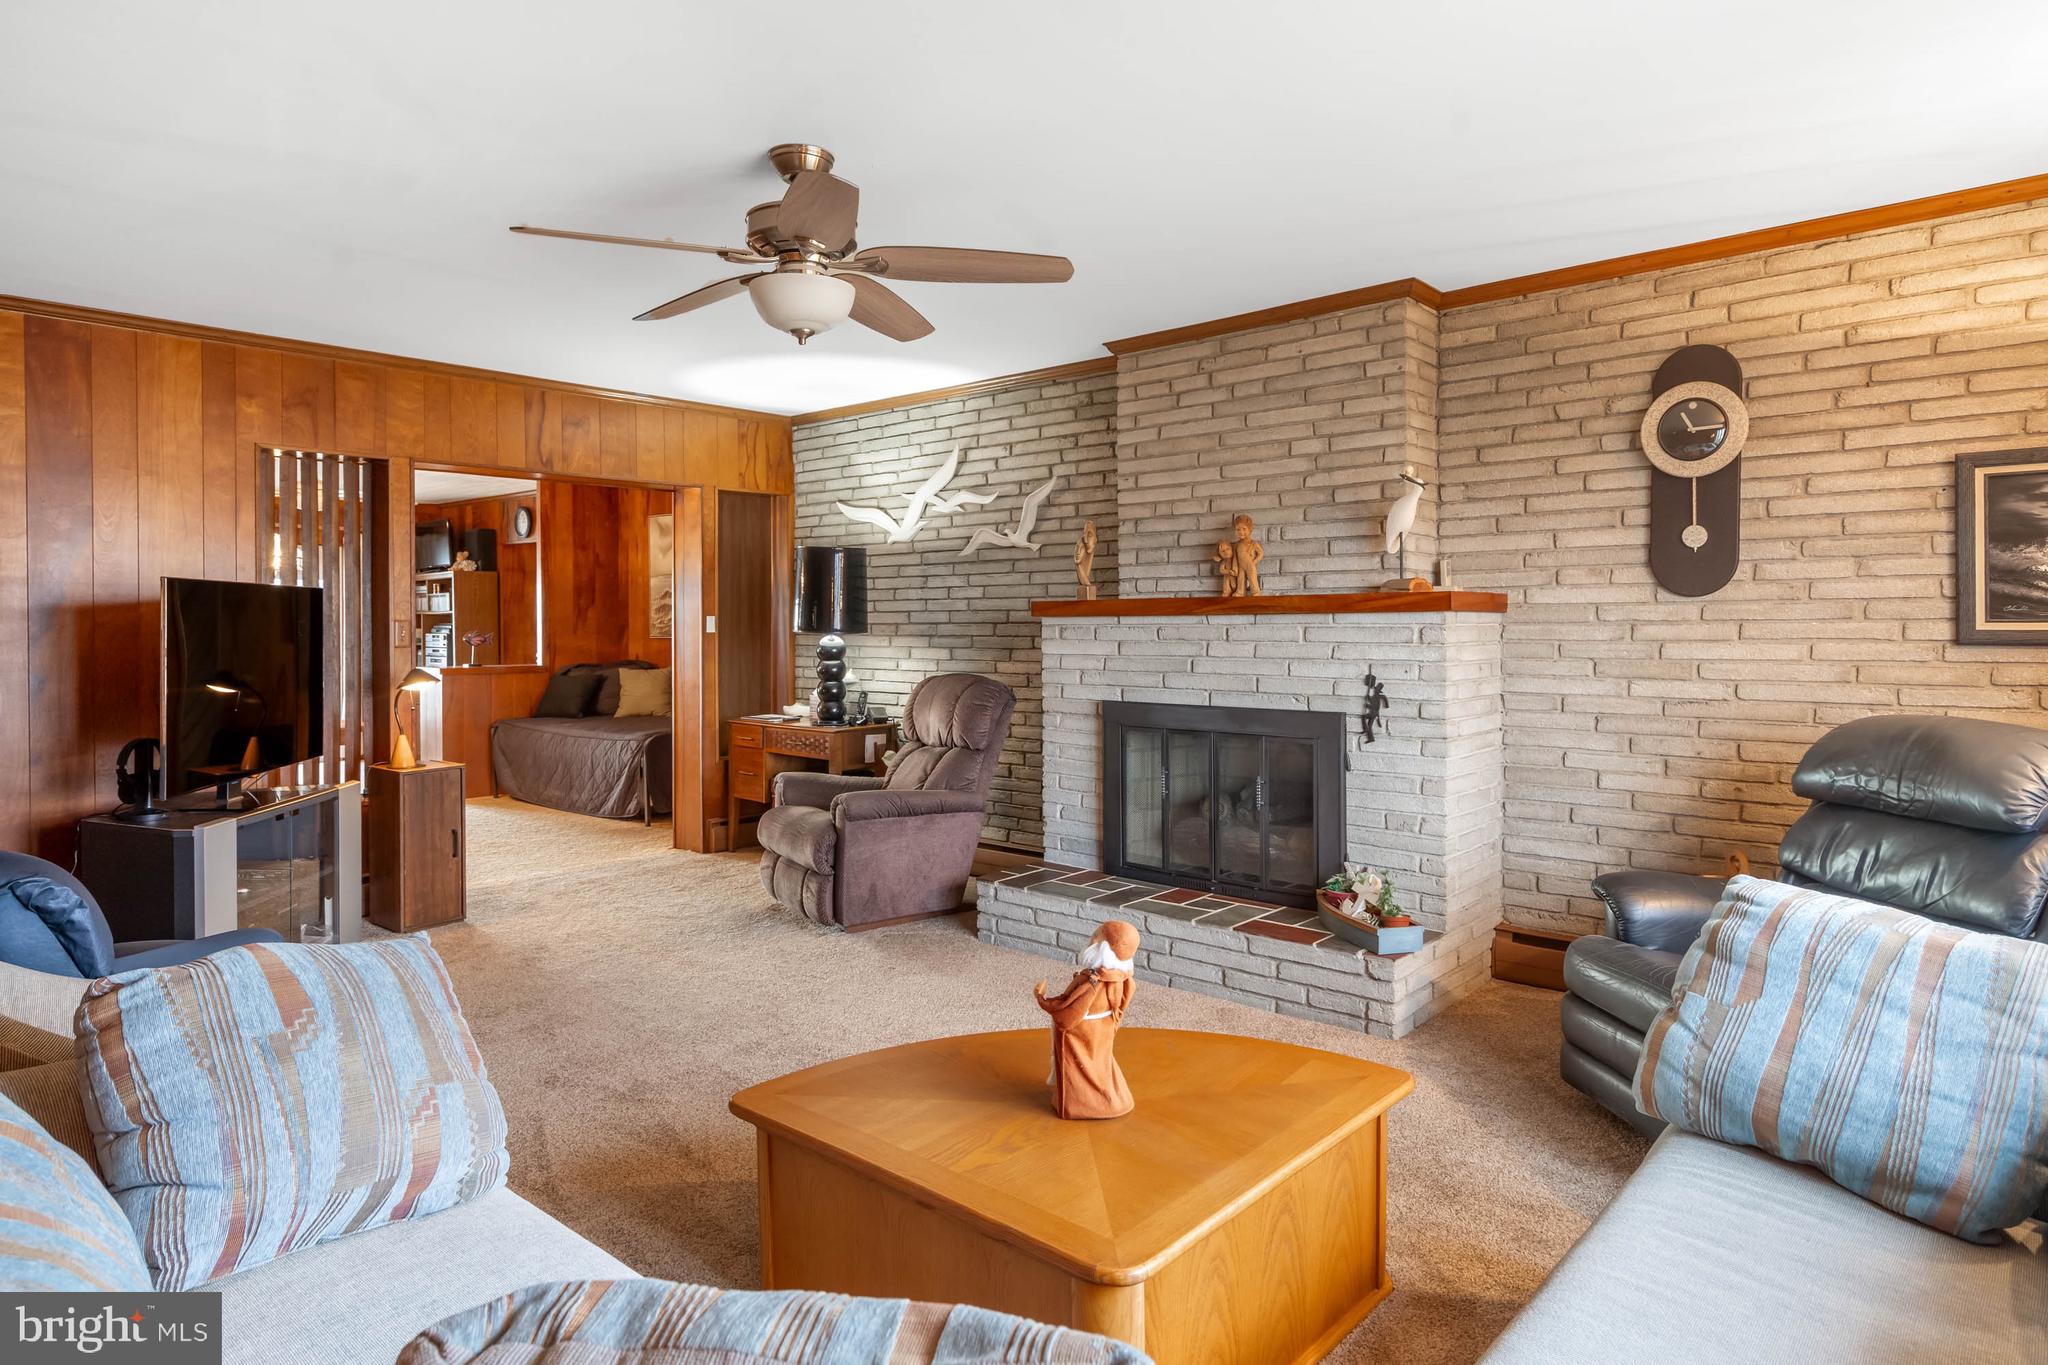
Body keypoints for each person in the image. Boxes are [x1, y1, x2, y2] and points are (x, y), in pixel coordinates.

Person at [1033, 920, 1140, 1120]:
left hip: (1081, 1033)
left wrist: (1043, 999)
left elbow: (1066, 1016)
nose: (1090, 940)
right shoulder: (1124, 979)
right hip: (1103, 1030)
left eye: (1095, 938)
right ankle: (1111, 1099)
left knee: (1080, 1068)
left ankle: (1081, 1105)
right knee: (1100, 1062)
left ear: (1103, 948)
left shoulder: (1091, 982)